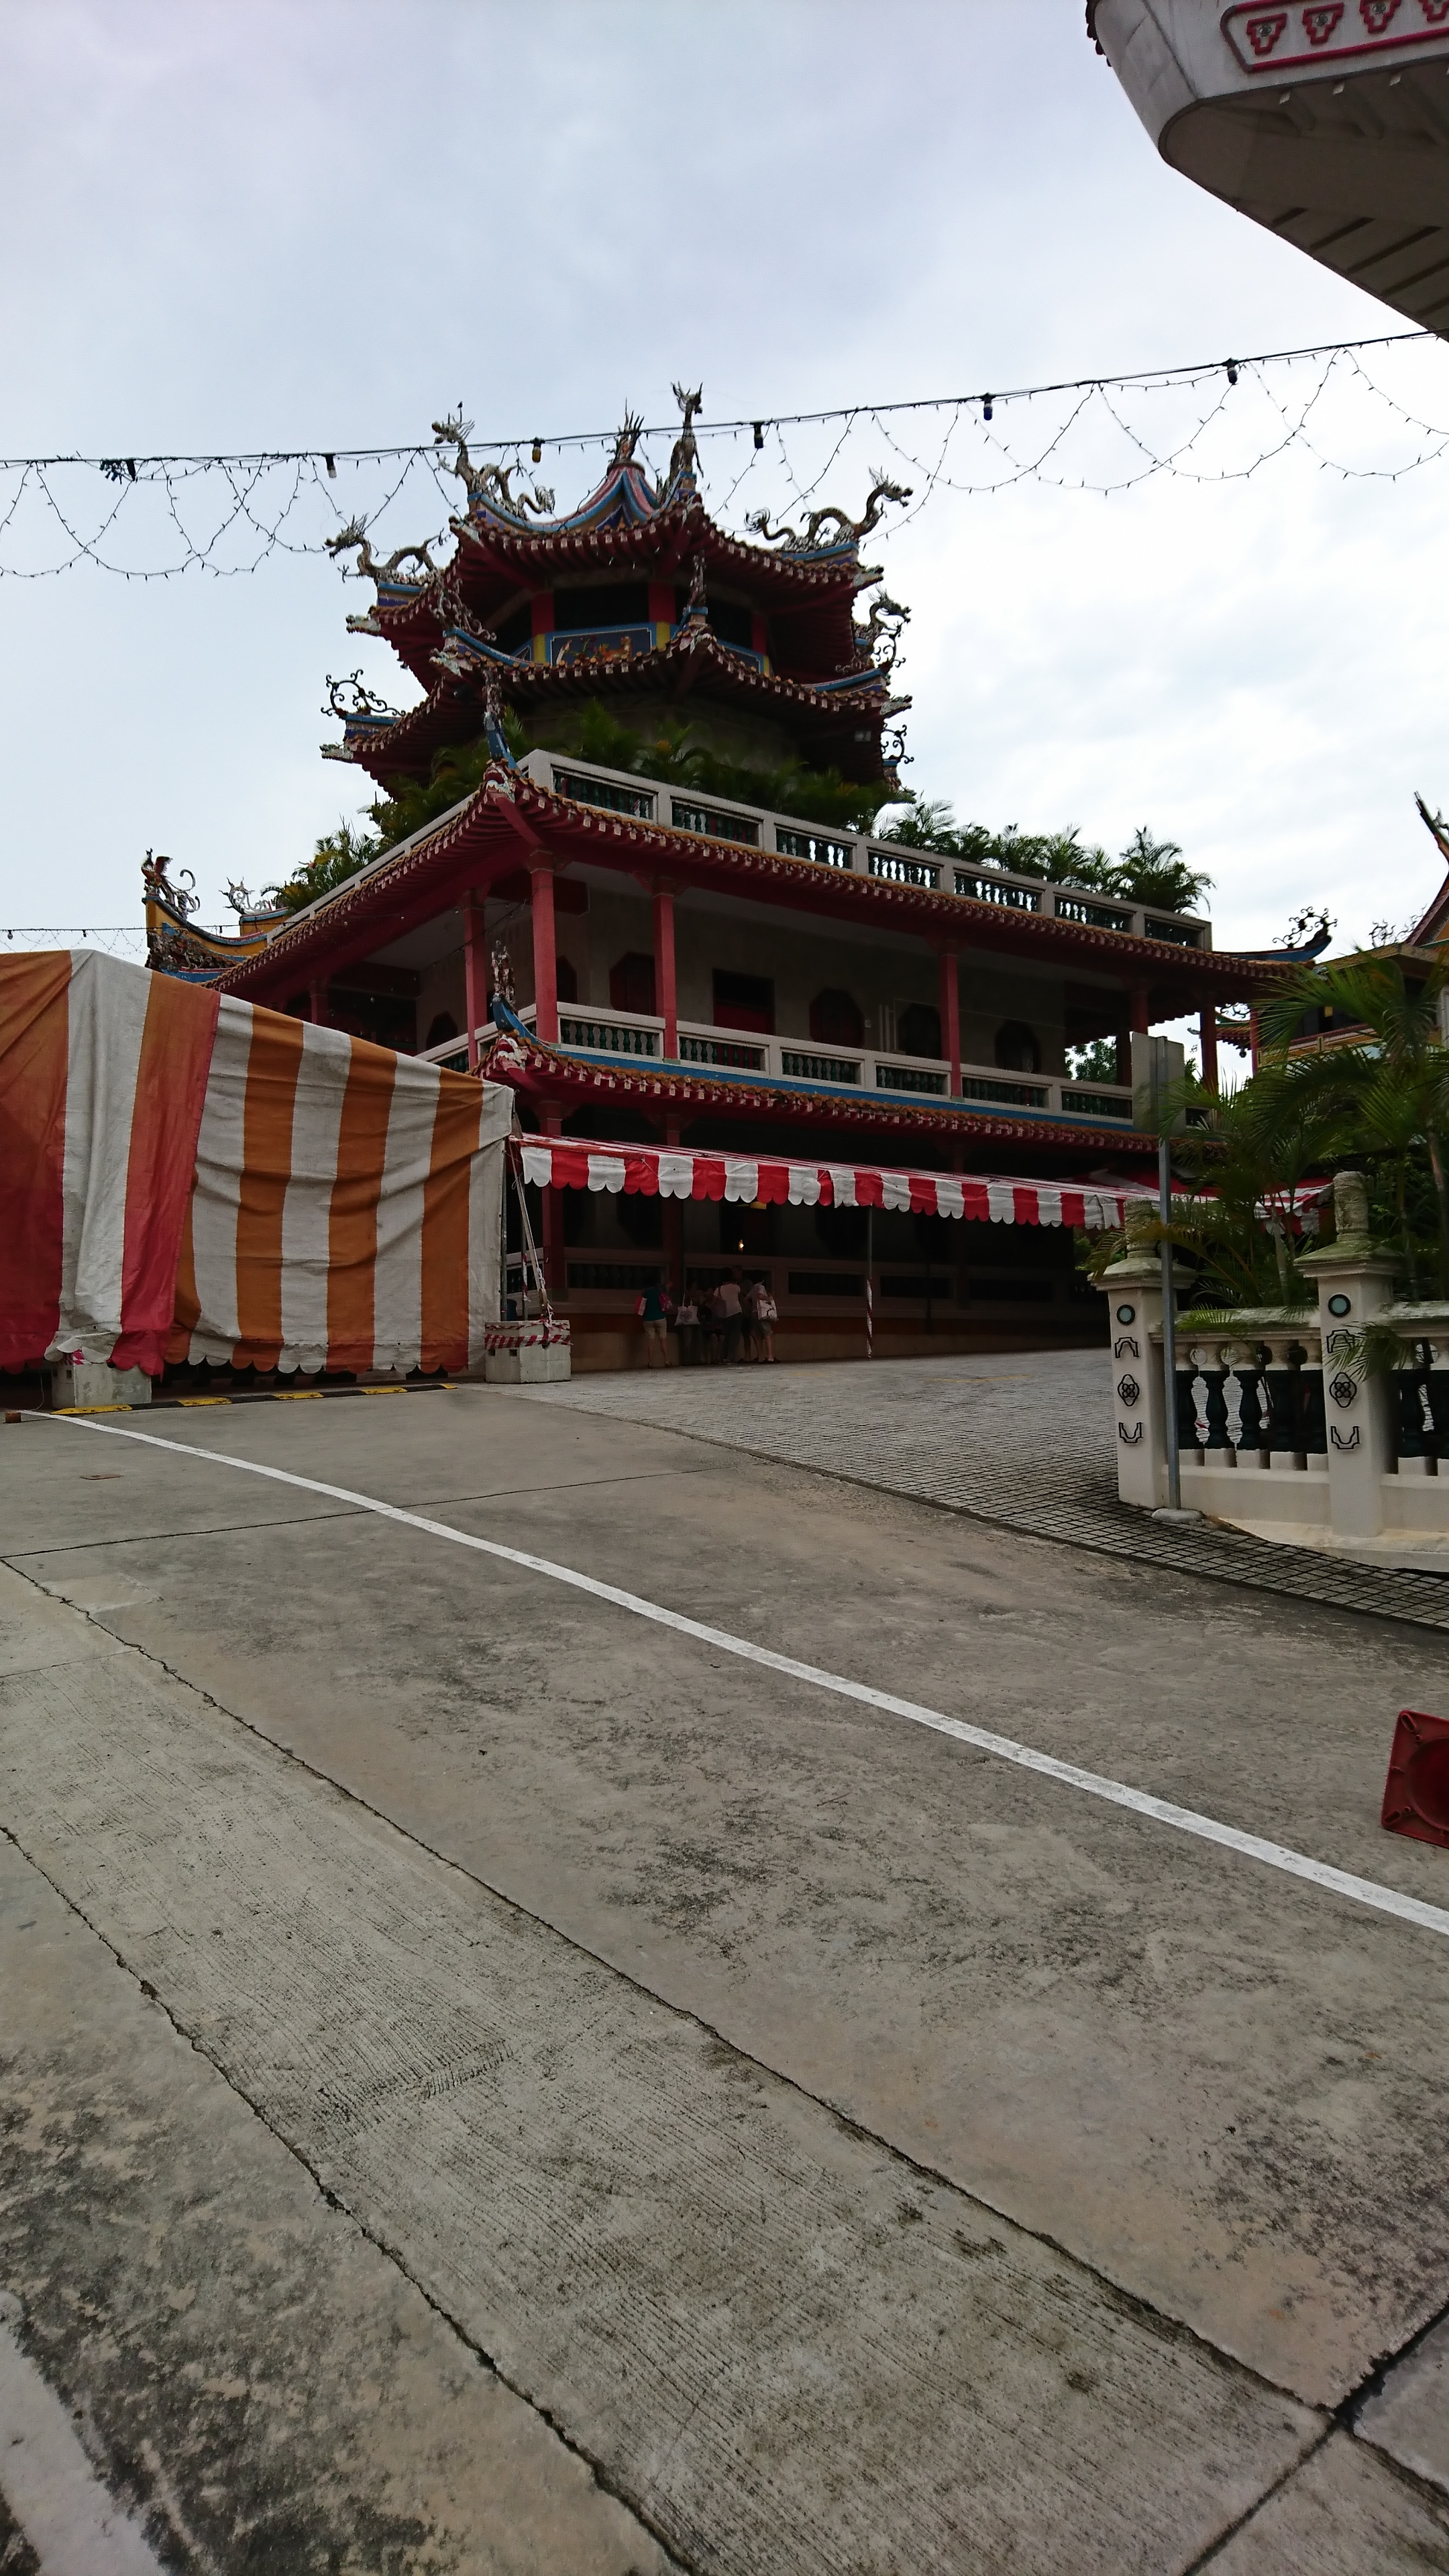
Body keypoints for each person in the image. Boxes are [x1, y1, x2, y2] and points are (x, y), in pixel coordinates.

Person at [636, 1277, 672, 1368]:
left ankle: (651, 1362)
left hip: (648, 1319)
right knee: (663, 1340)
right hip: (660, 1318)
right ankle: (667, 1360)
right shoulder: (660, 1289)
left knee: (651, 1341)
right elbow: (670, 1284)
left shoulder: (645, 1292)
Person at [746, 1275, 777, 1363]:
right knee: (767, 1334)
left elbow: (746, 1299)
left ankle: (760, 1357)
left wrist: (752, 1307)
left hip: (754, 1313)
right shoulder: (761, 1287)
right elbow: (760, 1296)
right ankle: (770, 1357)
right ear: (763, 1280)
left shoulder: (753, 1289)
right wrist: (768, 1299)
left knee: (758, 1336)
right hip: (762, 1313)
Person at [716, 1269, 744, 1366]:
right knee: (735, 1336)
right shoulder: (736, 1287)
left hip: (725, 1314)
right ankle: (731, 1358)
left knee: (726, 1336)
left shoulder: (719, 1289)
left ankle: (723, 1357)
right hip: (737, 1312)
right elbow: (741, 1299)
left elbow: (715, 1302)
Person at [675, 1287, 700, 1366]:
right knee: (688, 1341)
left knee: (695, 1340)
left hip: (693, 1322)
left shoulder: (694, 1298)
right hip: (687, 1322)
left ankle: (695, 1359)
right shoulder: (688, 1297)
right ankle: (687, 1360)